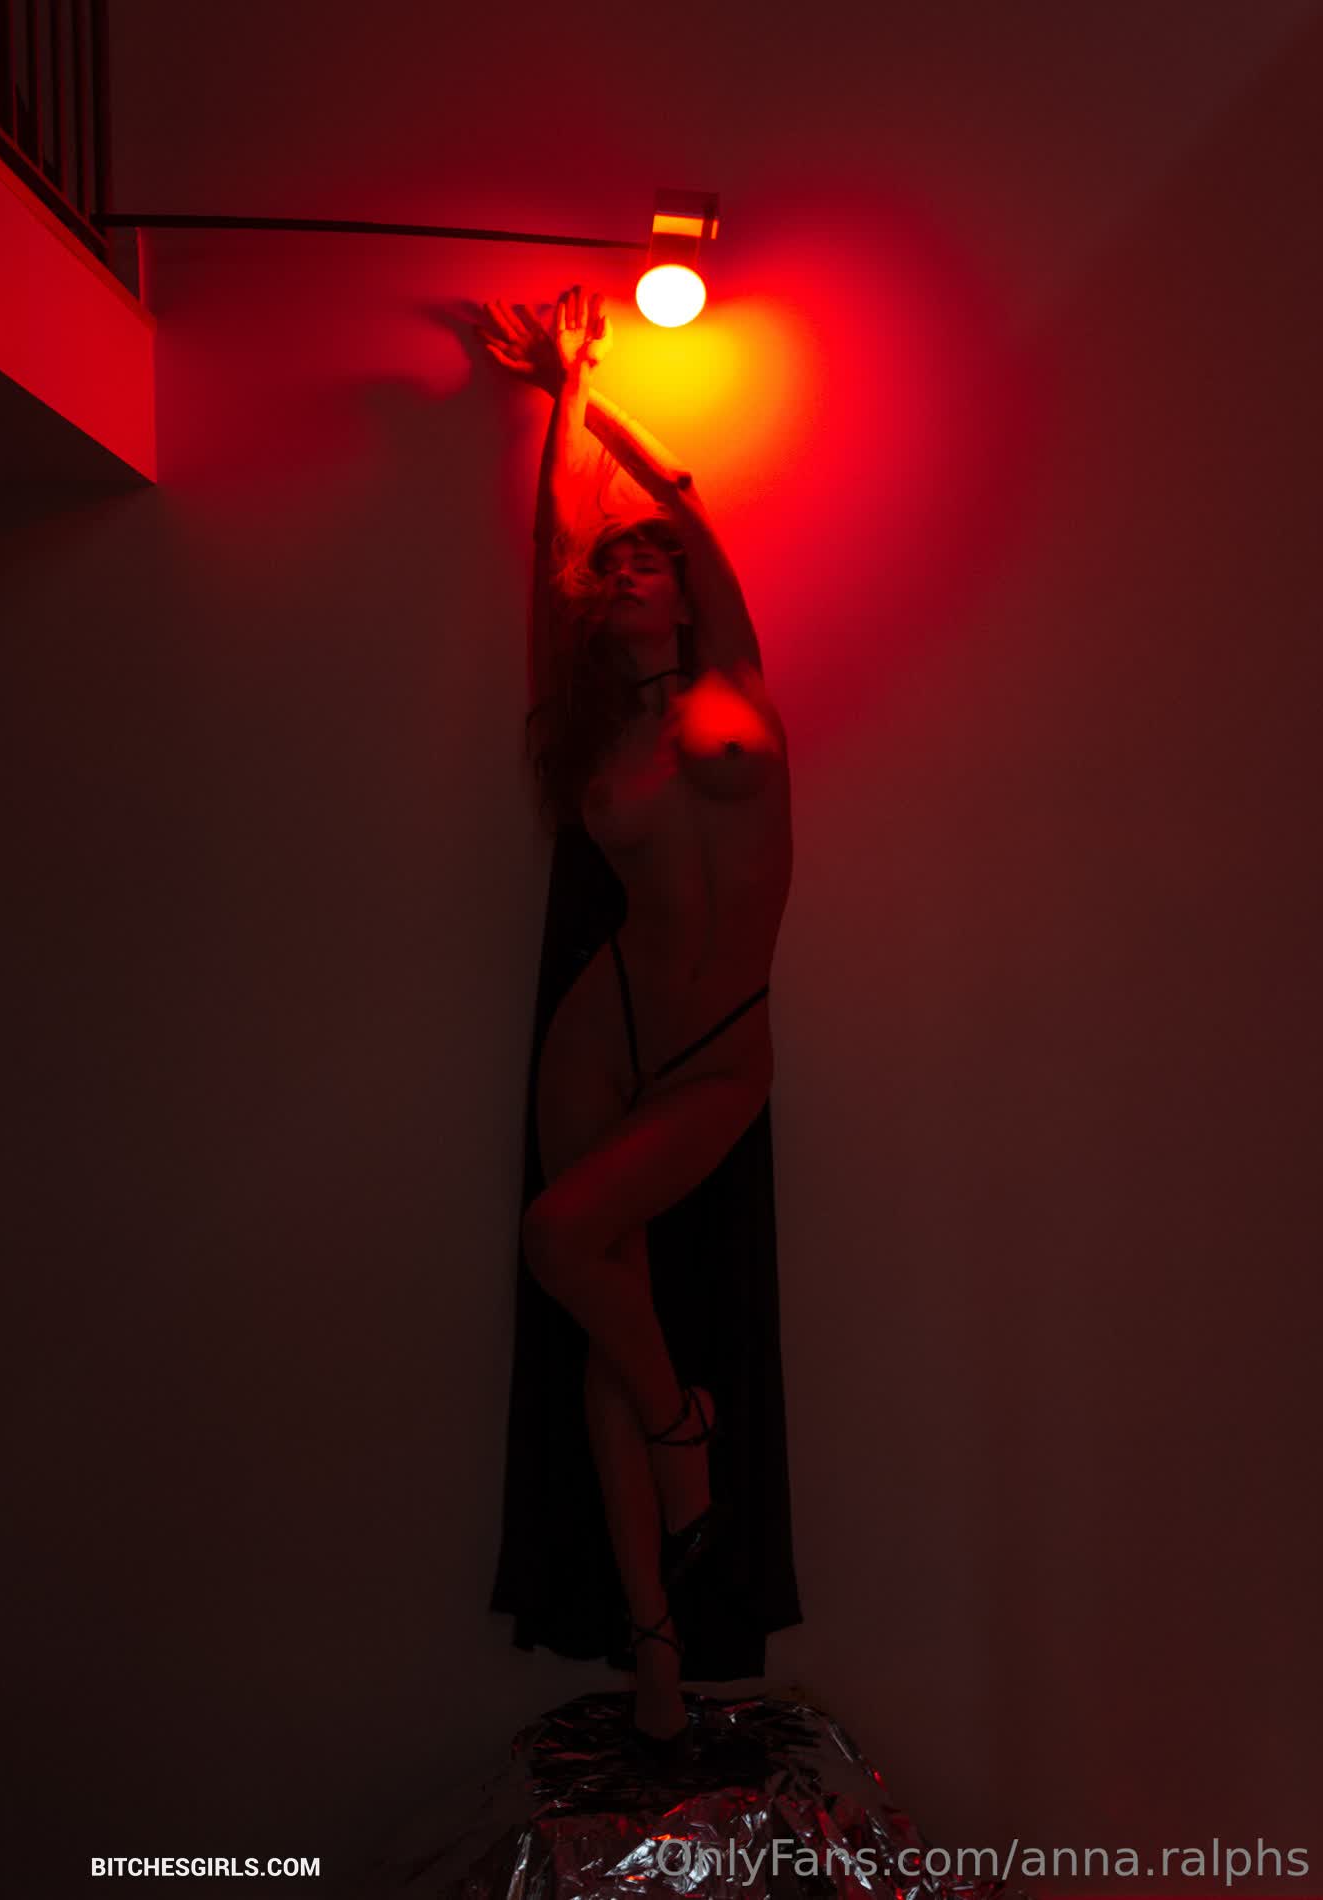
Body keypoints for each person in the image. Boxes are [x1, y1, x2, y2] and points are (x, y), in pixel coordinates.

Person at [475, 286, 794, 1761]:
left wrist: (588, 389)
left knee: (565, 1242)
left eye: (645, 560)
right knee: (595, 1292)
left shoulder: (736, 682)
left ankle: (682, 1433)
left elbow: (686, 500)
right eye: (612, 568)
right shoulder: (596, 726)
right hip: (601, 1025)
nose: (627, 569)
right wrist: (551, 414)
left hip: (718, 1046)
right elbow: (551, 563)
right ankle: (655, 1648)